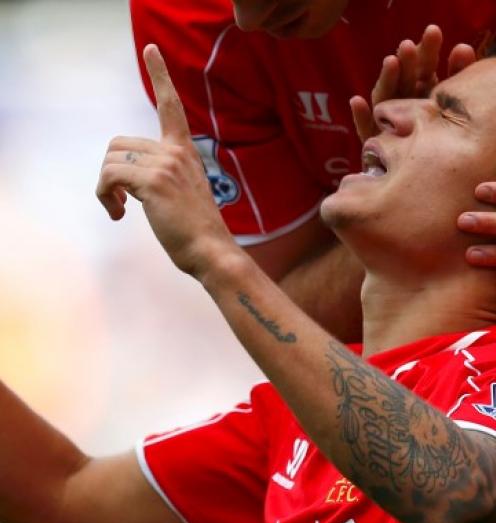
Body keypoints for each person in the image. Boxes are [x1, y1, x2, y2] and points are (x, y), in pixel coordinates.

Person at [3, 43, 496, 523]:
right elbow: (61, 507)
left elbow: (458, 494)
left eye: (448, 114)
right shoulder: (299, 408)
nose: (393, 110)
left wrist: (216, 255)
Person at [130, 0, 496, 338]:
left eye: (448, 113)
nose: (247, 19)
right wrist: (408, 204)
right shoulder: (180, 17)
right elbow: (289, 319)